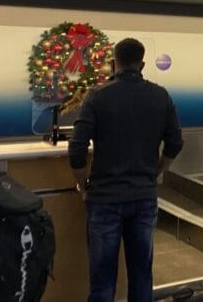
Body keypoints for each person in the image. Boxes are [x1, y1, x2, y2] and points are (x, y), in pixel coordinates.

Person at [69, 38, 184, 302]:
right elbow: (175, 142)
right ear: (142, 64)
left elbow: (76, 149)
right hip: (144, 198)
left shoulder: (97, 97)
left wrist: (83, 184)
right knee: (142, 275)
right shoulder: (160, 95)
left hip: (105, 198)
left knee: (102, 280)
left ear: (113, 63)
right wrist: (156, 171)